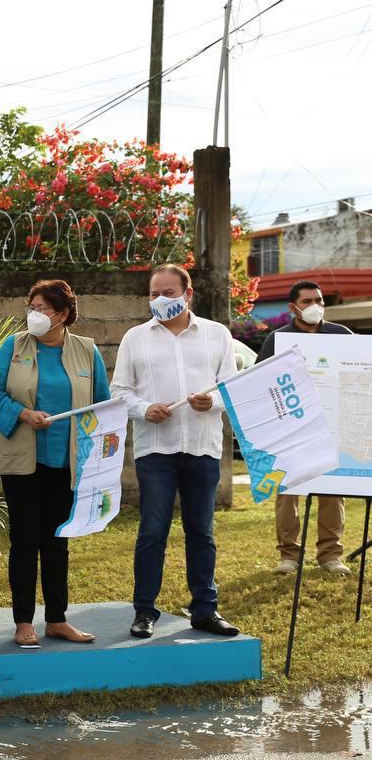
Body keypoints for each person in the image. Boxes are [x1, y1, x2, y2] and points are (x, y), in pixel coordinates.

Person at [111, 263, 240, 639]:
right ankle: (145, 611)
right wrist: (143, 409)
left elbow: (232, 388)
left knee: (201, 531)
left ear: (188, 294)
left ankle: (205, 610)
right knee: (152, 530)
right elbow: (120, 391)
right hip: (156, 450)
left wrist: (212, 402)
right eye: (154, 293)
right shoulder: (135, 338)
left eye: (168, 293)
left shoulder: (217, 335)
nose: (159, 300)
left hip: (202, 447)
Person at [0, 280, 110, 646]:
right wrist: (24, 414)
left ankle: (57, 619)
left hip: (67, 461)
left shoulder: (87, 350)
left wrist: (100, 457)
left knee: (57, 542)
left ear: (64, 314)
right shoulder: (14, 346)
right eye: (31, 307)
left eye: (42, 309)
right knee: (24, 541)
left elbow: (101, 405)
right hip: (23, 461)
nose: (34, 315)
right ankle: (24, 621)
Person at [258, 280, 354, 576]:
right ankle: (289, 556)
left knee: (332, 492)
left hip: (331, 427)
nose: (315, 306)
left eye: (320, 300)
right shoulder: (278, 339)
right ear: (293, 307)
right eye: (308, 300)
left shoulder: (342, 335)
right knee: (288, 492)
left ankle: (330, 555)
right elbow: (262, 380)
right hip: (291, 431)